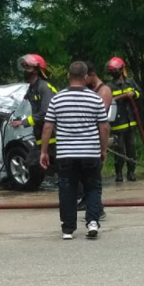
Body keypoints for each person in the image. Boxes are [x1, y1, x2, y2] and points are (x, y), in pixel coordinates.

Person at [40, 61, 109, 240]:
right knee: (92, 188)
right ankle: (92, 222)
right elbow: (104, 128)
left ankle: (68, 229)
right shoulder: (95, 99)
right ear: (86, 77)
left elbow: (47, 127)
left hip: (65, 155)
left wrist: (44, 152)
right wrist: (103, 149)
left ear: (69, 76)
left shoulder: (58, 99)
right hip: (90, 153)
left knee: (67, 190)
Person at [9, 54, 58, 183]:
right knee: (32, 162)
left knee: (60, 166)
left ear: (37, 70)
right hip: (41, 136)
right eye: (24, 68)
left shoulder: (45, 88)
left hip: (54, 136)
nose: (25, 71)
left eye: (28, 68)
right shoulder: (31, 89)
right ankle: (59, 178)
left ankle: (78, 192)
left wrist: (23, 122)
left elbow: (46, 113)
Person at [76, 62, 113, 212]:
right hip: (86, 139)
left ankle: (97, 208)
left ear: (92, 75)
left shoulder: (103, 91)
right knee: (84, 176)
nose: (83, 81)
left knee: (93, 178)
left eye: (85, 78)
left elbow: (97, 117)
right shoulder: (90, 90)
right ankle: (88, 202)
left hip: (97, 139)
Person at [106, 57, 143, 182]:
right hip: (117, 125)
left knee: (131, 149)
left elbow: (140, 94)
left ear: (122, 70)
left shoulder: (130, 83)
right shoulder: (109, 87)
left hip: (130, 122)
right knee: (119, 151)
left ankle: (131, 173)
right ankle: (119, 174)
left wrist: (134, 94)